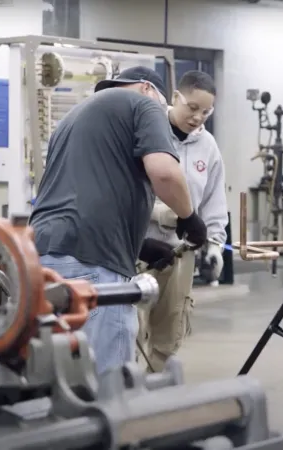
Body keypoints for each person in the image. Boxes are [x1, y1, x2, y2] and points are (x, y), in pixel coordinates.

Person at [29, 66, 207, 376]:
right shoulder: (145, 104)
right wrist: (189, 217)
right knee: (110, 385)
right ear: (147, 89)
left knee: (60, 381)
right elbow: (164, 172)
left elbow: (83, 194)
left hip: (44, 261)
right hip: (94, 266)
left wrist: (139, 246)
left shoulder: (72, 119)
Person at [138, 70, 228, 373]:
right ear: (176, 97)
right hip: (139, 250)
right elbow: (128, 189)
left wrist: (215, 244)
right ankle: (124, 398)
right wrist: (162, 213)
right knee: (130, 327)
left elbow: (214, 201)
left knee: (170, 330)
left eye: (206, 111)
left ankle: (154, 390)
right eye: (192, 108)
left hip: (181, 253)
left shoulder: (208, 146)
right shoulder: (147, 130)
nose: (198, 117)